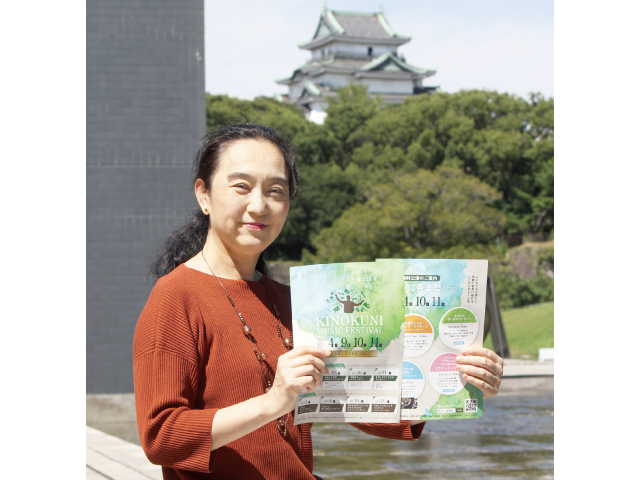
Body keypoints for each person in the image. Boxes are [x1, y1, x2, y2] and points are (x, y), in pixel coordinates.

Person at [133, 123, 504, 480]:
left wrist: (451, 381)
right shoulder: (175, 297)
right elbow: (160, 436)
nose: (259, 205)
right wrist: (272, 402)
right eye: (241, 187)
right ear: (204, 195)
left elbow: (354, 398)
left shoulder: (295, 301)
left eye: (276, 191)